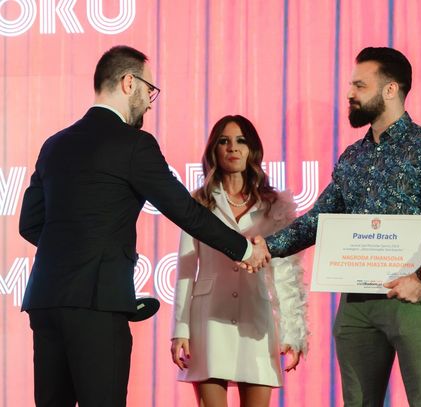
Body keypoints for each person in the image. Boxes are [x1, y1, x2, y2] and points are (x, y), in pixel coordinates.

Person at [18, 45, 269, 407]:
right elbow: (186, 211)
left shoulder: (54, 145)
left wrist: (75, 250)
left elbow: (29, 224)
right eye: (149, 90)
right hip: (98, 303)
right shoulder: (134, 145)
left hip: (45, 301)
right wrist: (245, 249)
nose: (150, 104)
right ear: (128, 83)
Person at [263, 47, 421, 406]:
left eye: (360, 85)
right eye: (352, 85)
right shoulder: (353, 157)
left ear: (390, 89)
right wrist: (263, 247)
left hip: (410, 293)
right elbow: (318, 221)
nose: (350, 93)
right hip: (357, 301)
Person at [170, 115, 308, 407]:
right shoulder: (197, 202)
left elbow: (287, 272)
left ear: (252, 150)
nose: (232, 148)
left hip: (256, 318)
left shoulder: (274, 205)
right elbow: (185, 269)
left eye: (241, 141)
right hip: (208, 320)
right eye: (224, 141)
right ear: (214, 150)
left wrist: (293, 335)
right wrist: (180, 330)